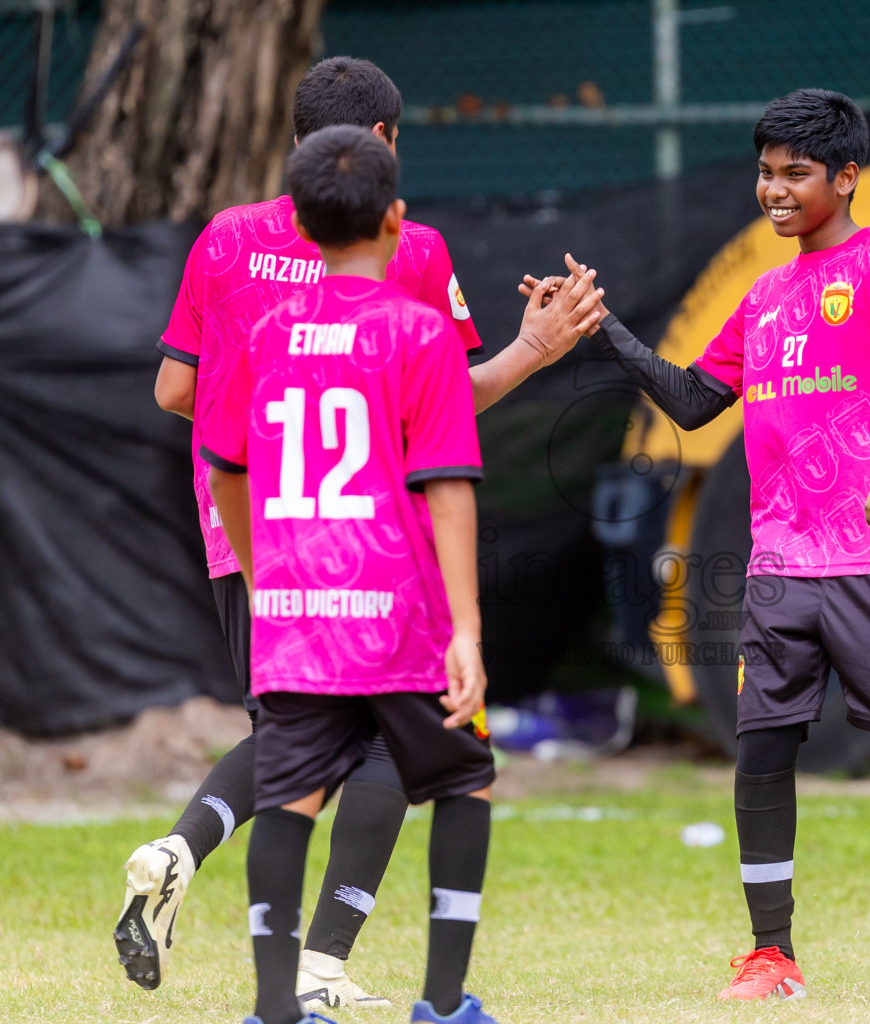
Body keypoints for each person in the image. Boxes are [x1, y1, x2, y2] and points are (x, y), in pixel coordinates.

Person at [121, 56, 601, 1010]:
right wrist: (536, 348)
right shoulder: (410, 251)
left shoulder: (225, 242)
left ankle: (187, 851)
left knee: (295, 732)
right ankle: (335, 967)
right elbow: (444, 420)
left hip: (257, 541)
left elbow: (179, 393)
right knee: (402, 743)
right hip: (375, 538)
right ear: (383, 149)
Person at [530, 88, 870, 997]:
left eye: (796, 175)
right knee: (764, 745)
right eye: (766, 173)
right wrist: (605, 330)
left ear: (847, 178)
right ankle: (771, 953)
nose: (774, 190)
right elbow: (697, 399)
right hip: (780, 562)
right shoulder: (766, 293)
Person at [203, 124, 519, 1024]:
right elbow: (448, 489)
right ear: (396, 219)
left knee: (289, 796)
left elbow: (224, 465)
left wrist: (267, 575)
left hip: (300, 607)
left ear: (300, 225)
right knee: (465, 780)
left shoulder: (262, 333)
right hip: (396, 609)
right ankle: (445, 1000)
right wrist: (466, 628)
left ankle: (276, 1004)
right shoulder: (418, 334)